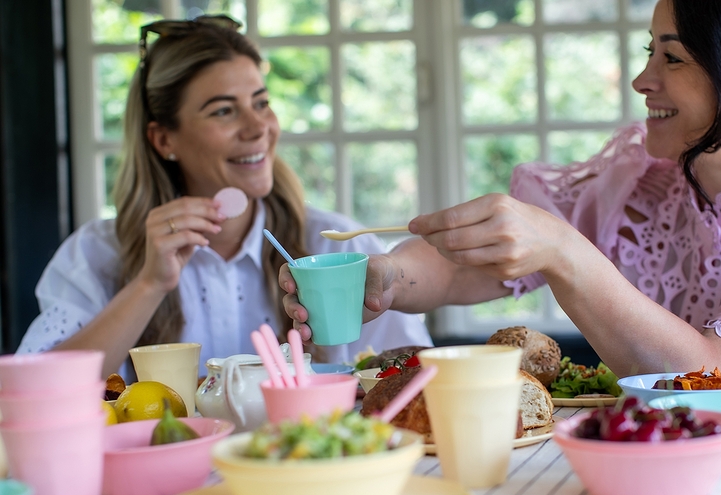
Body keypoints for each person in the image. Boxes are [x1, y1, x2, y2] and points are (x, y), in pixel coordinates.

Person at [283, 0, 721, 419]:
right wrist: (384, 276)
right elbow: (475, 265)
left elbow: (712, 380)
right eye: (649, 53)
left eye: (674, 60)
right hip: (661, 475)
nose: (643, 79)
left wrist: (563, 250)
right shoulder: (632, 183)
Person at [17, 15, 431, 380]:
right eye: (223, 111)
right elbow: (31, 394)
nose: (258, 128)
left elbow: (415, 370)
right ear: (164, 138)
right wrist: (148, 284)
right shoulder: (94, 254)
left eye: (261, 103)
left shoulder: (337, 246)